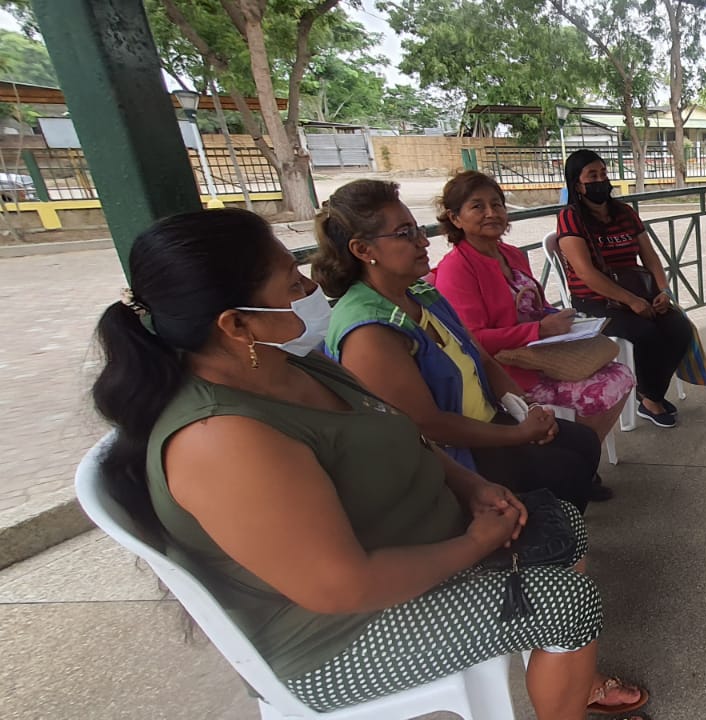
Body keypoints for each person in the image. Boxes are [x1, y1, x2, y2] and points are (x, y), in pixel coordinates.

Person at [90, 208, 646, 718]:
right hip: (339, 638)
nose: (311, 288)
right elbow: (343, 589)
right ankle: (563, 670)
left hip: (417, 544)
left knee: (558, 523)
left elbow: (398, 428)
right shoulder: (222, 438)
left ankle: (568, 672)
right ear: (236, 325)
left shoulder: (291, 364)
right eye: (292, 284)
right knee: (570, 600)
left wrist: (469, 485)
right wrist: (476, 543)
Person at [312, 180, 607, 510]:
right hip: (446, 457)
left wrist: (528, 410)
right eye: (405, 233)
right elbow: (427, 425)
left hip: (487, 422)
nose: (423, 241)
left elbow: (482, 358)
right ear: (363, 250)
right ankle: (547, 534)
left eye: (418, 229)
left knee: (582, 443)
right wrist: (520, 434)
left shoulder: (422, 294)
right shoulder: (368, 330)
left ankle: (559, 529)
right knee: (563, 470)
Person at [429, 170, 635, 448]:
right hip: (507, 371)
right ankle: (578, 459)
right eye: (477, 206)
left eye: (497, 204)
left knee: (621, 375)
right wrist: (538, 330)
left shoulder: (510, 254)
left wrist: (559, 318)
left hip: (542, 355)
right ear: (455, 218)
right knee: (601, 389)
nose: (491, 213)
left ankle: (581, 457)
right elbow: (472, 339)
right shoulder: (456, 268)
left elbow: (536, 305)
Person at [555, 149, 694, 429]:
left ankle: (649, 394)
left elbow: (650, 257)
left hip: (638, 293)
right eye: (592, 176)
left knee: (679, 326)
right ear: (577, 184)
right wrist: (631, 301)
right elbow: (586, 273)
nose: (600, 180)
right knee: (646, 333)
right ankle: (652, 399)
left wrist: (662, 291)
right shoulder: (570, 218)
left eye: (603, 173)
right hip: (594, 301)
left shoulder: (625, 213)